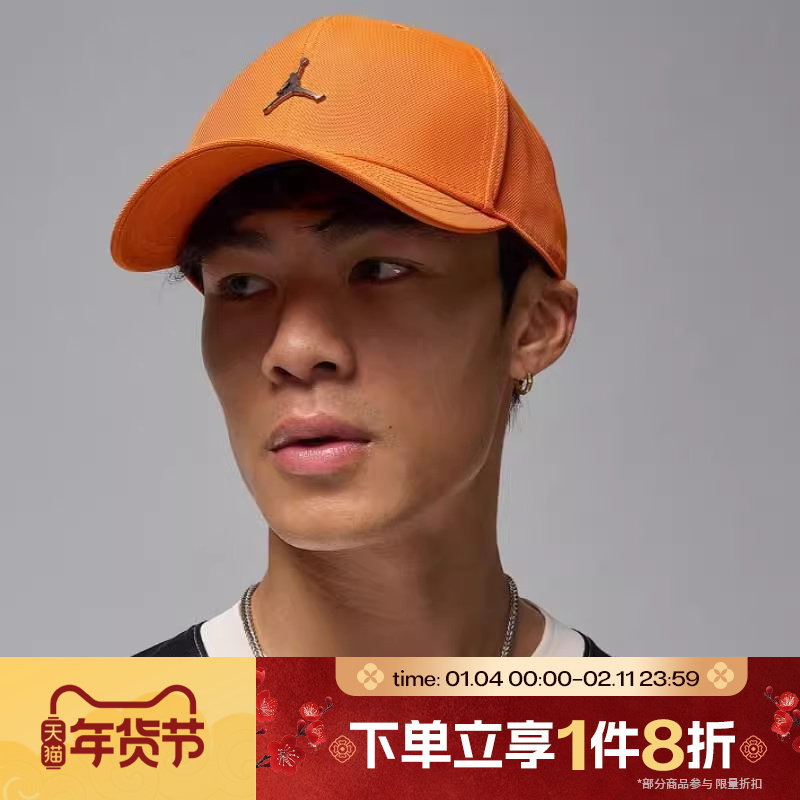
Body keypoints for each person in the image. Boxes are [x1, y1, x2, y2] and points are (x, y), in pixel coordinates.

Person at [111, 15, 609, 657]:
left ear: (535, 326)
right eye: (242, 284)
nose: (293, 351)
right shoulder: (108, 722)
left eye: (379, 270)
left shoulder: (659, 721)